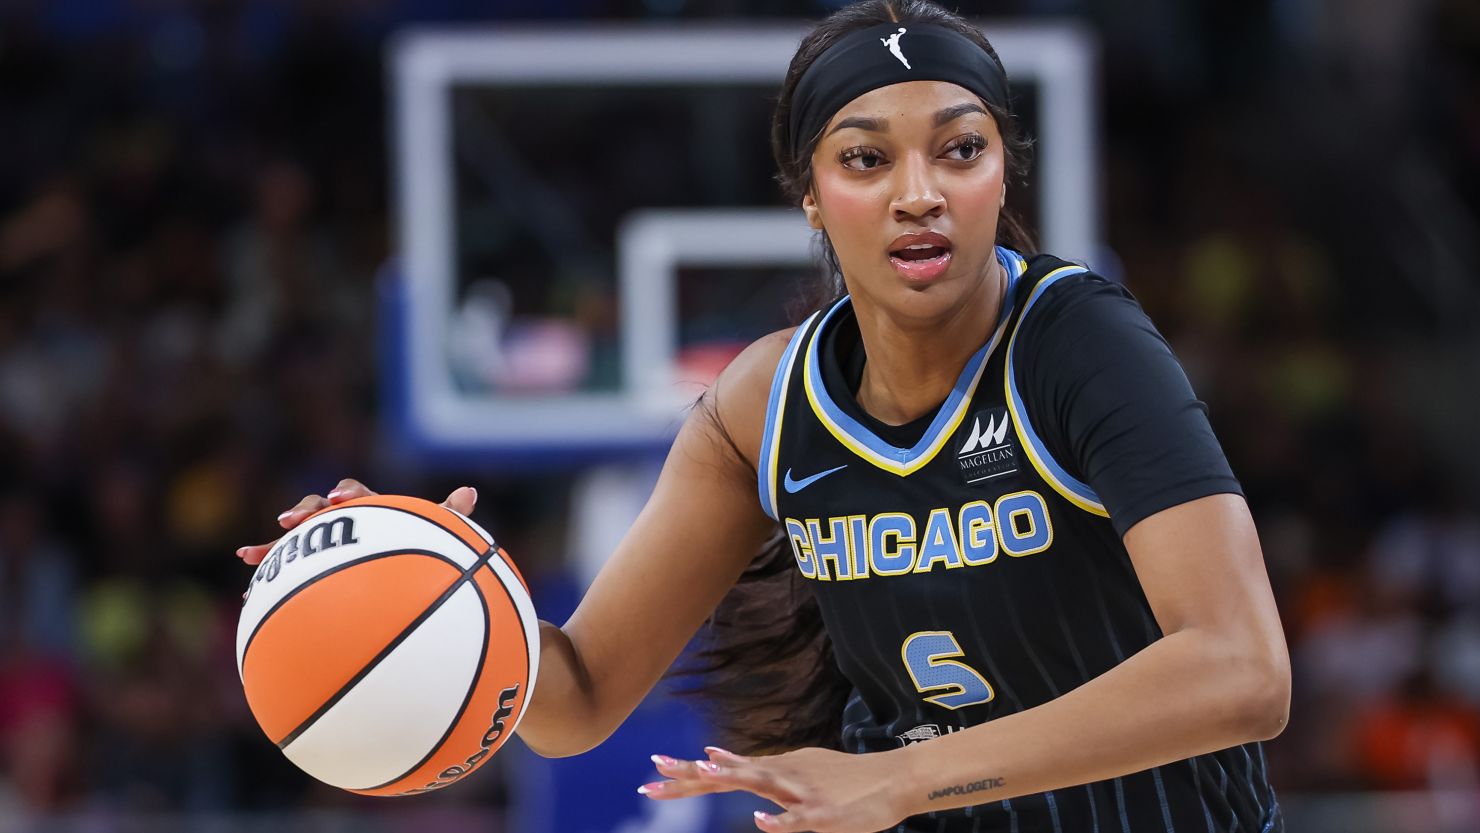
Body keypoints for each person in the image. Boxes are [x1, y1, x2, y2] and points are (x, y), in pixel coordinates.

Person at [238, 1, 1291, 830]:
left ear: (1003, 168)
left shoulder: (1075, 342)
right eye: (866, 158)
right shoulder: (763, 402)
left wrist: (905, 777)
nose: (917, 191)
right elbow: (577, 698)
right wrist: (433, 581)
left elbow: (1243, 669)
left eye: (959, 149)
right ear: (809, 194)